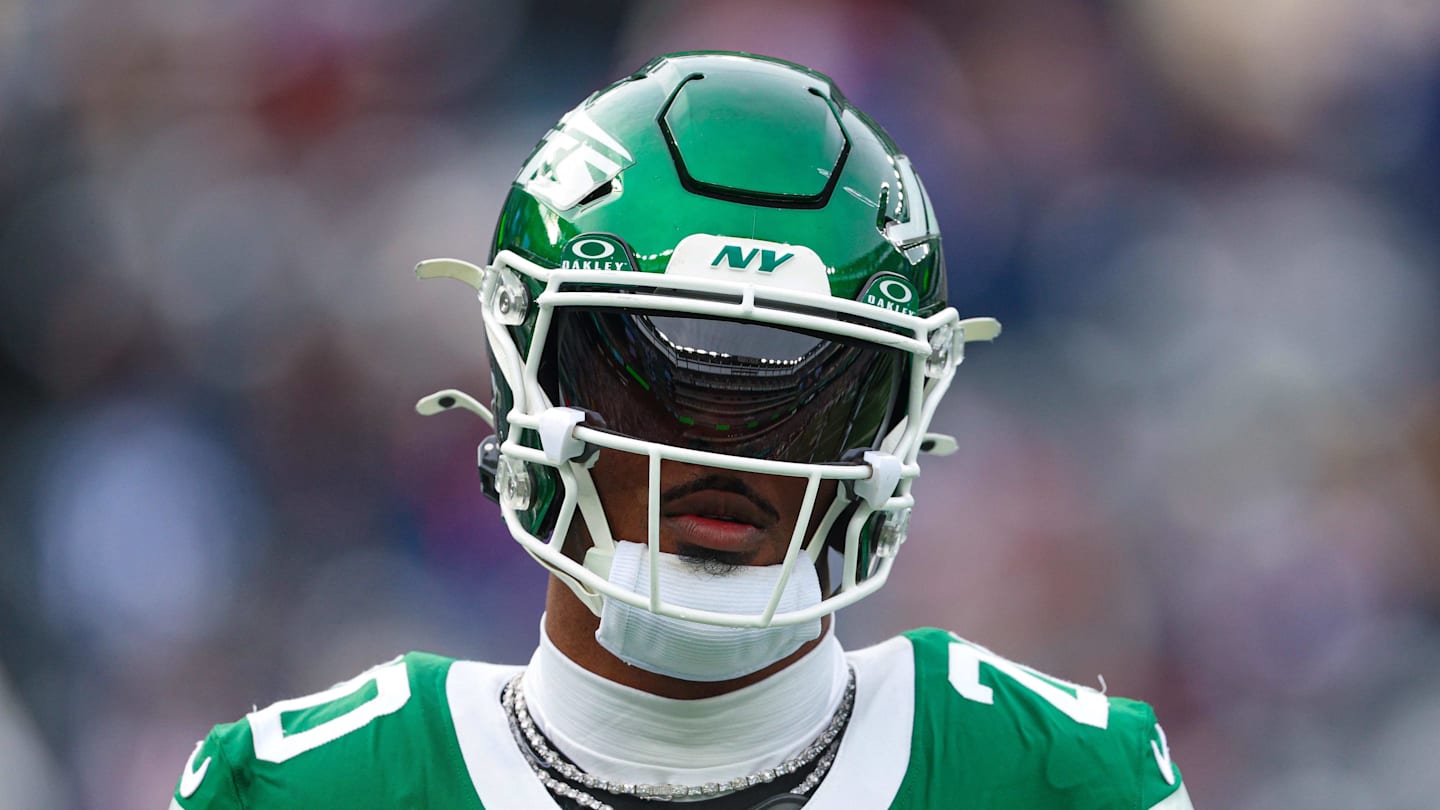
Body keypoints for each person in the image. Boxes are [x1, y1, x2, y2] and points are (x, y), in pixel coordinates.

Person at [171, 51, 1192, 810]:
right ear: (529, 379)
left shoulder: (1060, 781)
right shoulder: (308, 789)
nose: (720, 450)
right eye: (647, 379)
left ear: (892, 420)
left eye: (804, 390)